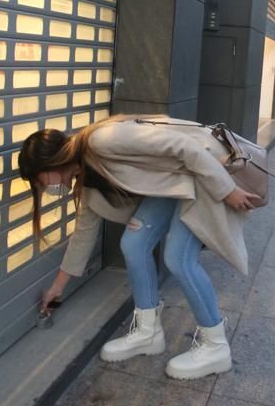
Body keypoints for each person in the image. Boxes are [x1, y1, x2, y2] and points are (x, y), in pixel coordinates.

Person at [18, 116, 259, 380]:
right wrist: (57, 288)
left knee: (178, 258)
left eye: (38, 178)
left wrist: (227, 189)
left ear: (50, 163)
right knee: (134, 244)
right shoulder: (86, 181)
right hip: (173, 183)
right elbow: (82, 237)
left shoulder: (102, 141)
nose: (42, 186)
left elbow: (184, 147)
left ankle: (215, 346)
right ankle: (148, 333)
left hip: (202, 171)